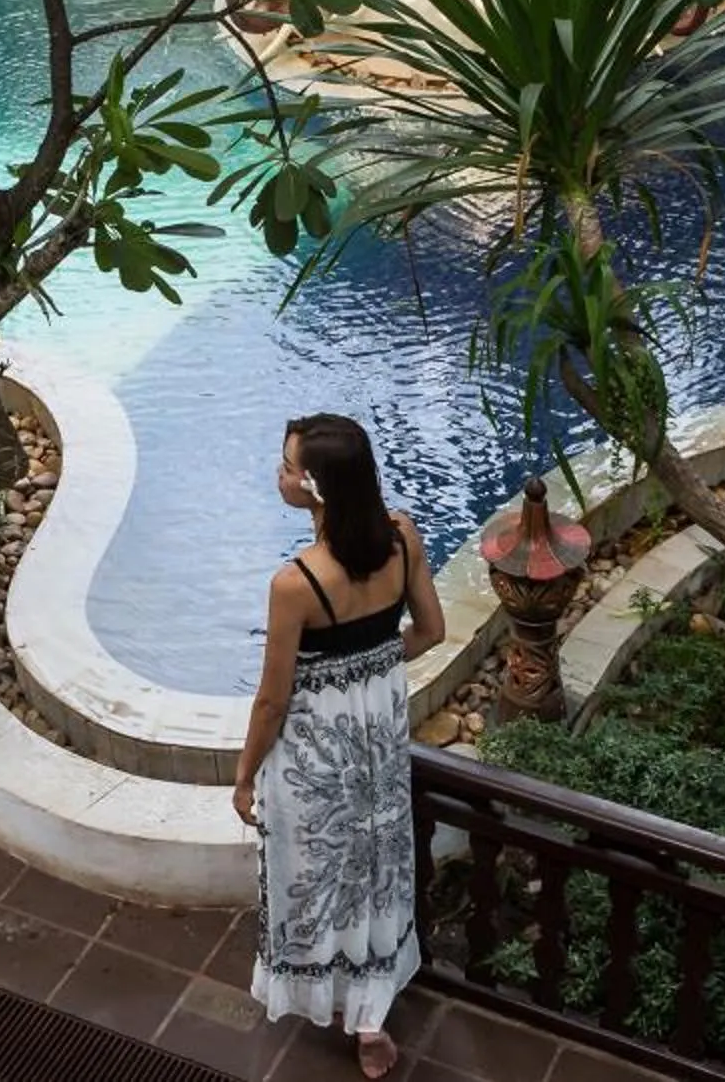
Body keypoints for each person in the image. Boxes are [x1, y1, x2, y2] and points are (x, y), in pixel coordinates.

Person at [233, 414, 446, 1078]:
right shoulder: (403, 540)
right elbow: (431, 632)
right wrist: (374, 662)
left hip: (315, 755)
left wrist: (243, 778)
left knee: (319, 871)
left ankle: (329, 997)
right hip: (378, 739)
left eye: (289, 465)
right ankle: (371, 1018)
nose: (281, 472)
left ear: (316, 488)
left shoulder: (296, 584)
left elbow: (272, 700)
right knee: (378, 863)